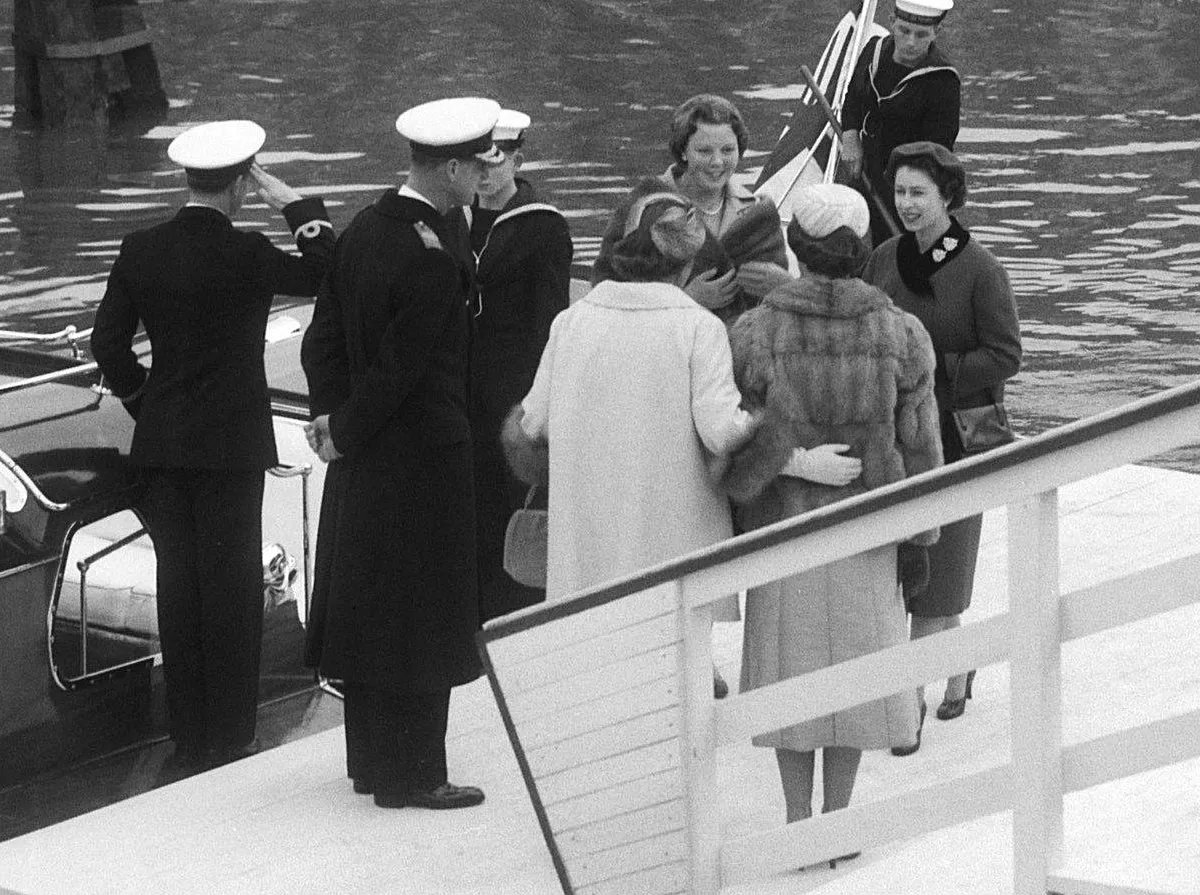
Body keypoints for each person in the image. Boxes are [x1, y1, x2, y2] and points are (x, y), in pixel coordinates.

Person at [90, 120, 335, 769]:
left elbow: (106, 344)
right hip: (232, 446)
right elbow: (327, 273)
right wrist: (297, 207)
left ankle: (188, 735)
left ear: (188, 179)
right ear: (241, 186)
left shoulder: (140, 248)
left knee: (178, 586)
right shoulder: (249, 253)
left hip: (164, 444)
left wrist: (145, 401)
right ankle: (232, 734)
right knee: (230, 590)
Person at [721, 183, 943, 864]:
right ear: (864, 247)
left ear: (796, 245)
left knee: (790, 683)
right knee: (854, 682)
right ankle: (838, 827)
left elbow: (729, 441)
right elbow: (922, 451)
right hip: (865, 531)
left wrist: (789, 460)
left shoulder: (754, 331)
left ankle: (797, 825)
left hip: (782, 530)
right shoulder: (902, 333)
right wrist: (922, 536)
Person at [502, 193, 858, 605]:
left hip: (587, 543)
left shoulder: (570, 322)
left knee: (596, 633)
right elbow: (724, 434)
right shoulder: (698, 328)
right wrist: (803, 461)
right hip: (674, 544)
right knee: (675, 635)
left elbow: (532, 426)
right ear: (689, 262)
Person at [300, 97, 504, 810]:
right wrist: (346, 427)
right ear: (449, 170)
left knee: (372, 608)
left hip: (365, 462)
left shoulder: (363, 229)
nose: (486, 174)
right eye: (478, 164)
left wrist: (331, 420)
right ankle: (417, 773)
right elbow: (403, 370)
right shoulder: (432, 257)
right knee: (424, 614)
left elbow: (321, 340)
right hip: (424, 459)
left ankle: (371, 764)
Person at [862, 141, 1021, 752]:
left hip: (956, 440)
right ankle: (960, 662)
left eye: (918, 193)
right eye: (900, 192)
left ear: (948, 197)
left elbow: (1005, 355)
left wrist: (934, 369)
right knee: (911, 574)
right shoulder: (883, 258)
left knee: (942, 575)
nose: (906, 204)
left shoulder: (981, 269)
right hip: (893, 440)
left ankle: (909, 703)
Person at [447, 108, 572, 622]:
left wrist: (538, 409)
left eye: (495, 162)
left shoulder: (543, 227)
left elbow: (551, 323)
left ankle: (512, 622)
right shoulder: (453, 221)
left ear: (517, 160)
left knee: (508, 512)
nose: (484, 174)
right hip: (459, 395)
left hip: (513, 396)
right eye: (476, 164)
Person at [592, 94, 791, 326]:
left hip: (739, 343)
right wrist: (686, 299)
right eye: (704, 151)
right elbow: (605, 291)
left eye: (728, 150)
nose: (717, 162)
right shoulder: (645, 207)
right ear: (683, 151)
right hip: (663, 342)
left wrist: (784, 286)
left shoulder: (757, 215)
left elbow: (776, 317)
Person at [839, 0, 960, 247]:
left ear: (937, 32)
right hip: (863, 170)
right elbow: (852, 100)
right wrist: (850, 137)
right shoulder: (873, 51)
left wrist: (905, 193)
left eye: (921, 35)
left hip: (908, 182)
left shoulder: (943, 80)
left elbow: (938, 150)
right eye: (904, 31)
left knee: (896, 250)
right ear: (892, 22)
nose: (911, 42)